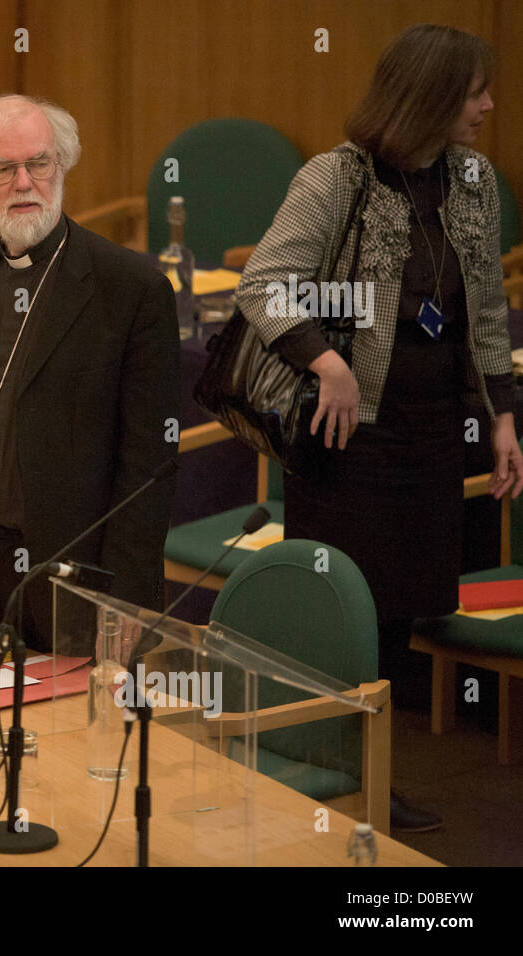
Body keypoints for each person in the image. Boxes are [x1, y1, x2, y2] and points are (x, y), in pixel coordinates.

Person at [237, 24, 521, 830]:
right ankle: (316, 772)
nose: (489, 106)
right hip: (345, 441)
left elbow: (487, 314)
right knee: (341, 609)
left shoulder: (473, 181)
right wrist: (325, 360)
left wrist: (501, 419)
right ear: (429, 97)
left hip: (433, 435)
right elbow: (264, 286)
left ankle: (371, 775)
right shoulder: (336, 178)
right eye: (474, 93)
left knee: (401, 612)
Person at [0, 94, 179, 652]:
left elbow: (149, 464)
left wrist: (125, 596)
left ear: (62, 165)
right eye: (4, 168)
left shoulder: (130, 289)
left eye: (39, 163)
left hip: (74, 581)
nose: (24, 182)